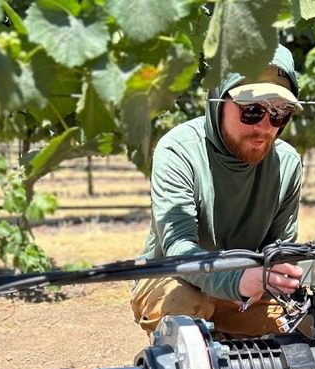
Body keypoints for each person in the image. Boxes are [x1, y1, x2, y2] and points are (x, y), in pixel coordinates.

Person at [130, 45, 305, 338]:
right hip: (173, 277)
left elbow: (280, 247)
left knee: (307, 334)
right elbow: (178, 249)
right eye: (252, 111)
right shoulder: (178, 150)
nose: (265, 127)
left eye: (279, 114)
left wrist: (283, 274)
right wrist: (236, 281)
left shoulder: (287, 163)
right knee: (186, 309)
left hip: (247, 289)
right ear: (217, 100)